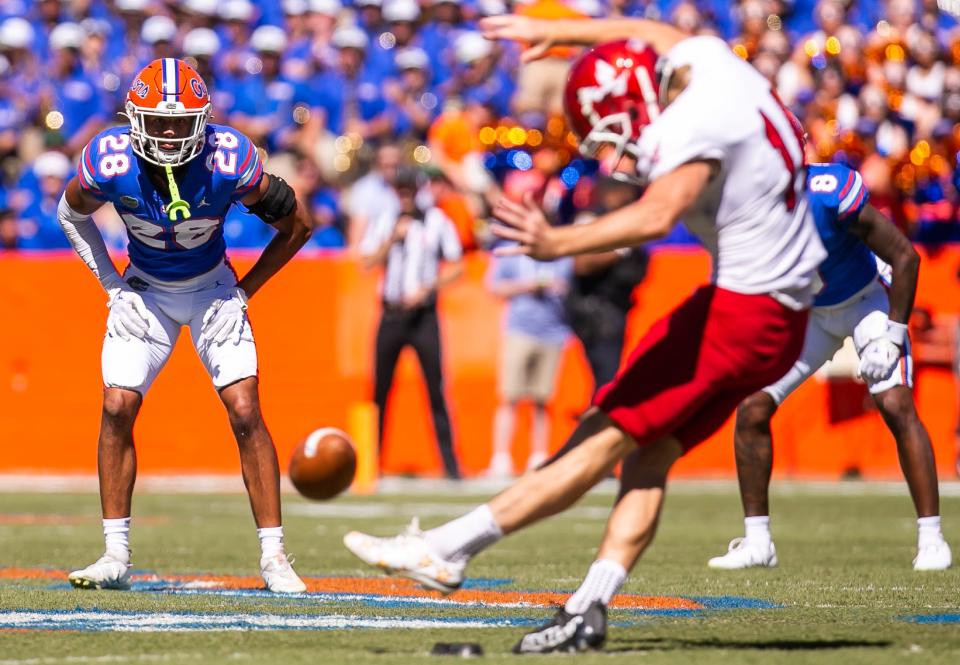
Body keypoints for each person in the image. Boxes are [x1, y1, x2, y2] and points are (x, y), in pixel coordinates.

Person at [343, 16, 826, 653]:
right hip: (777, 315)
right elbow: (647, 29)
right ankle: (588, 606)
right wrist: (566, 32)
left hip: (745, 310)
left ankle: (446, 549)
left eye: (612, 132)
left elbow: (656, 214)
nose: (612, 153)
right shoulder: (714, 65)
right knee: (647, 454)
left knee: (600, 437)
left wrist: (555, 242)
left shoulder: (693, 118)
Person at [59, 59, 313, 593]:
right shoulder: (109, 158)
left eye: (181, 121)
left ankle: (274, 558)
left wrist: (245, 290)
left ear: (203, 118)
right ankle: (115, 554)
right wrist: (112, 286)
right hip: (145, 291)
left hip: (213, 290)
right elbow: (70, 211)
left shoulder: (230, 157)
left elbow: (299, 225)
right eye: (159, 121)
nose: (171, 133)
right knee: (116, 405)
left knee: (245, 408)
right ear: (135, 119)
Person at [709, 163, 952, 572]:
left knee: (894, 403)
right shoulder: (742, 203)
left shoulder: (828, 190)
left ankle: (932, 538)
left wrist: (892, 335)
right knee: (752, 406)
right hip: (809, 313)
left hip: (867, 299)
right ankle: (758, 542)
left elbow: (905, 256)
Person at [360, 167, 464, 479]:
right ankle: (371, 463)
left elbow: (457, 266)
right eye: (399, 189)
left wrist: (427, 288)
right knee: (380, 388)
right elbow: (366, 262)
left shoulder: (437, 221)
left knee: (435, 388)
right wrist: (392, 237)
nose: (404, 195)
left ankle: (451, 466)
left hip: (424, 316)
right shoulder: (384, 221)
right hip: (391, 314)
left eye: (408, 189)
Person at [485, 238, 573, 477]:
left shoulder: (562, 247)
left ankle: (538, 456)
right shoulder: (510, 248)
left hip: (554, 331)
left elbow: (574, 287)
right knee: (509, 396)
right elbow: (494, 287)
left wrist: (559, 287)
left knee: (542, 399)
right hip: (520, 330)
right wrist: (528, 286)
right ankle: (501, 458)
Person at [566, 177, 649, 391]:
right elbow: (582, 265)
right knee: (606, 383)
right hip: (596, 313)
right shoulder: (592, 219)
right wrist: (621, 249)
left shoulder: (628, 223)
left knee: (607, 381)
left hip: (617, 307)